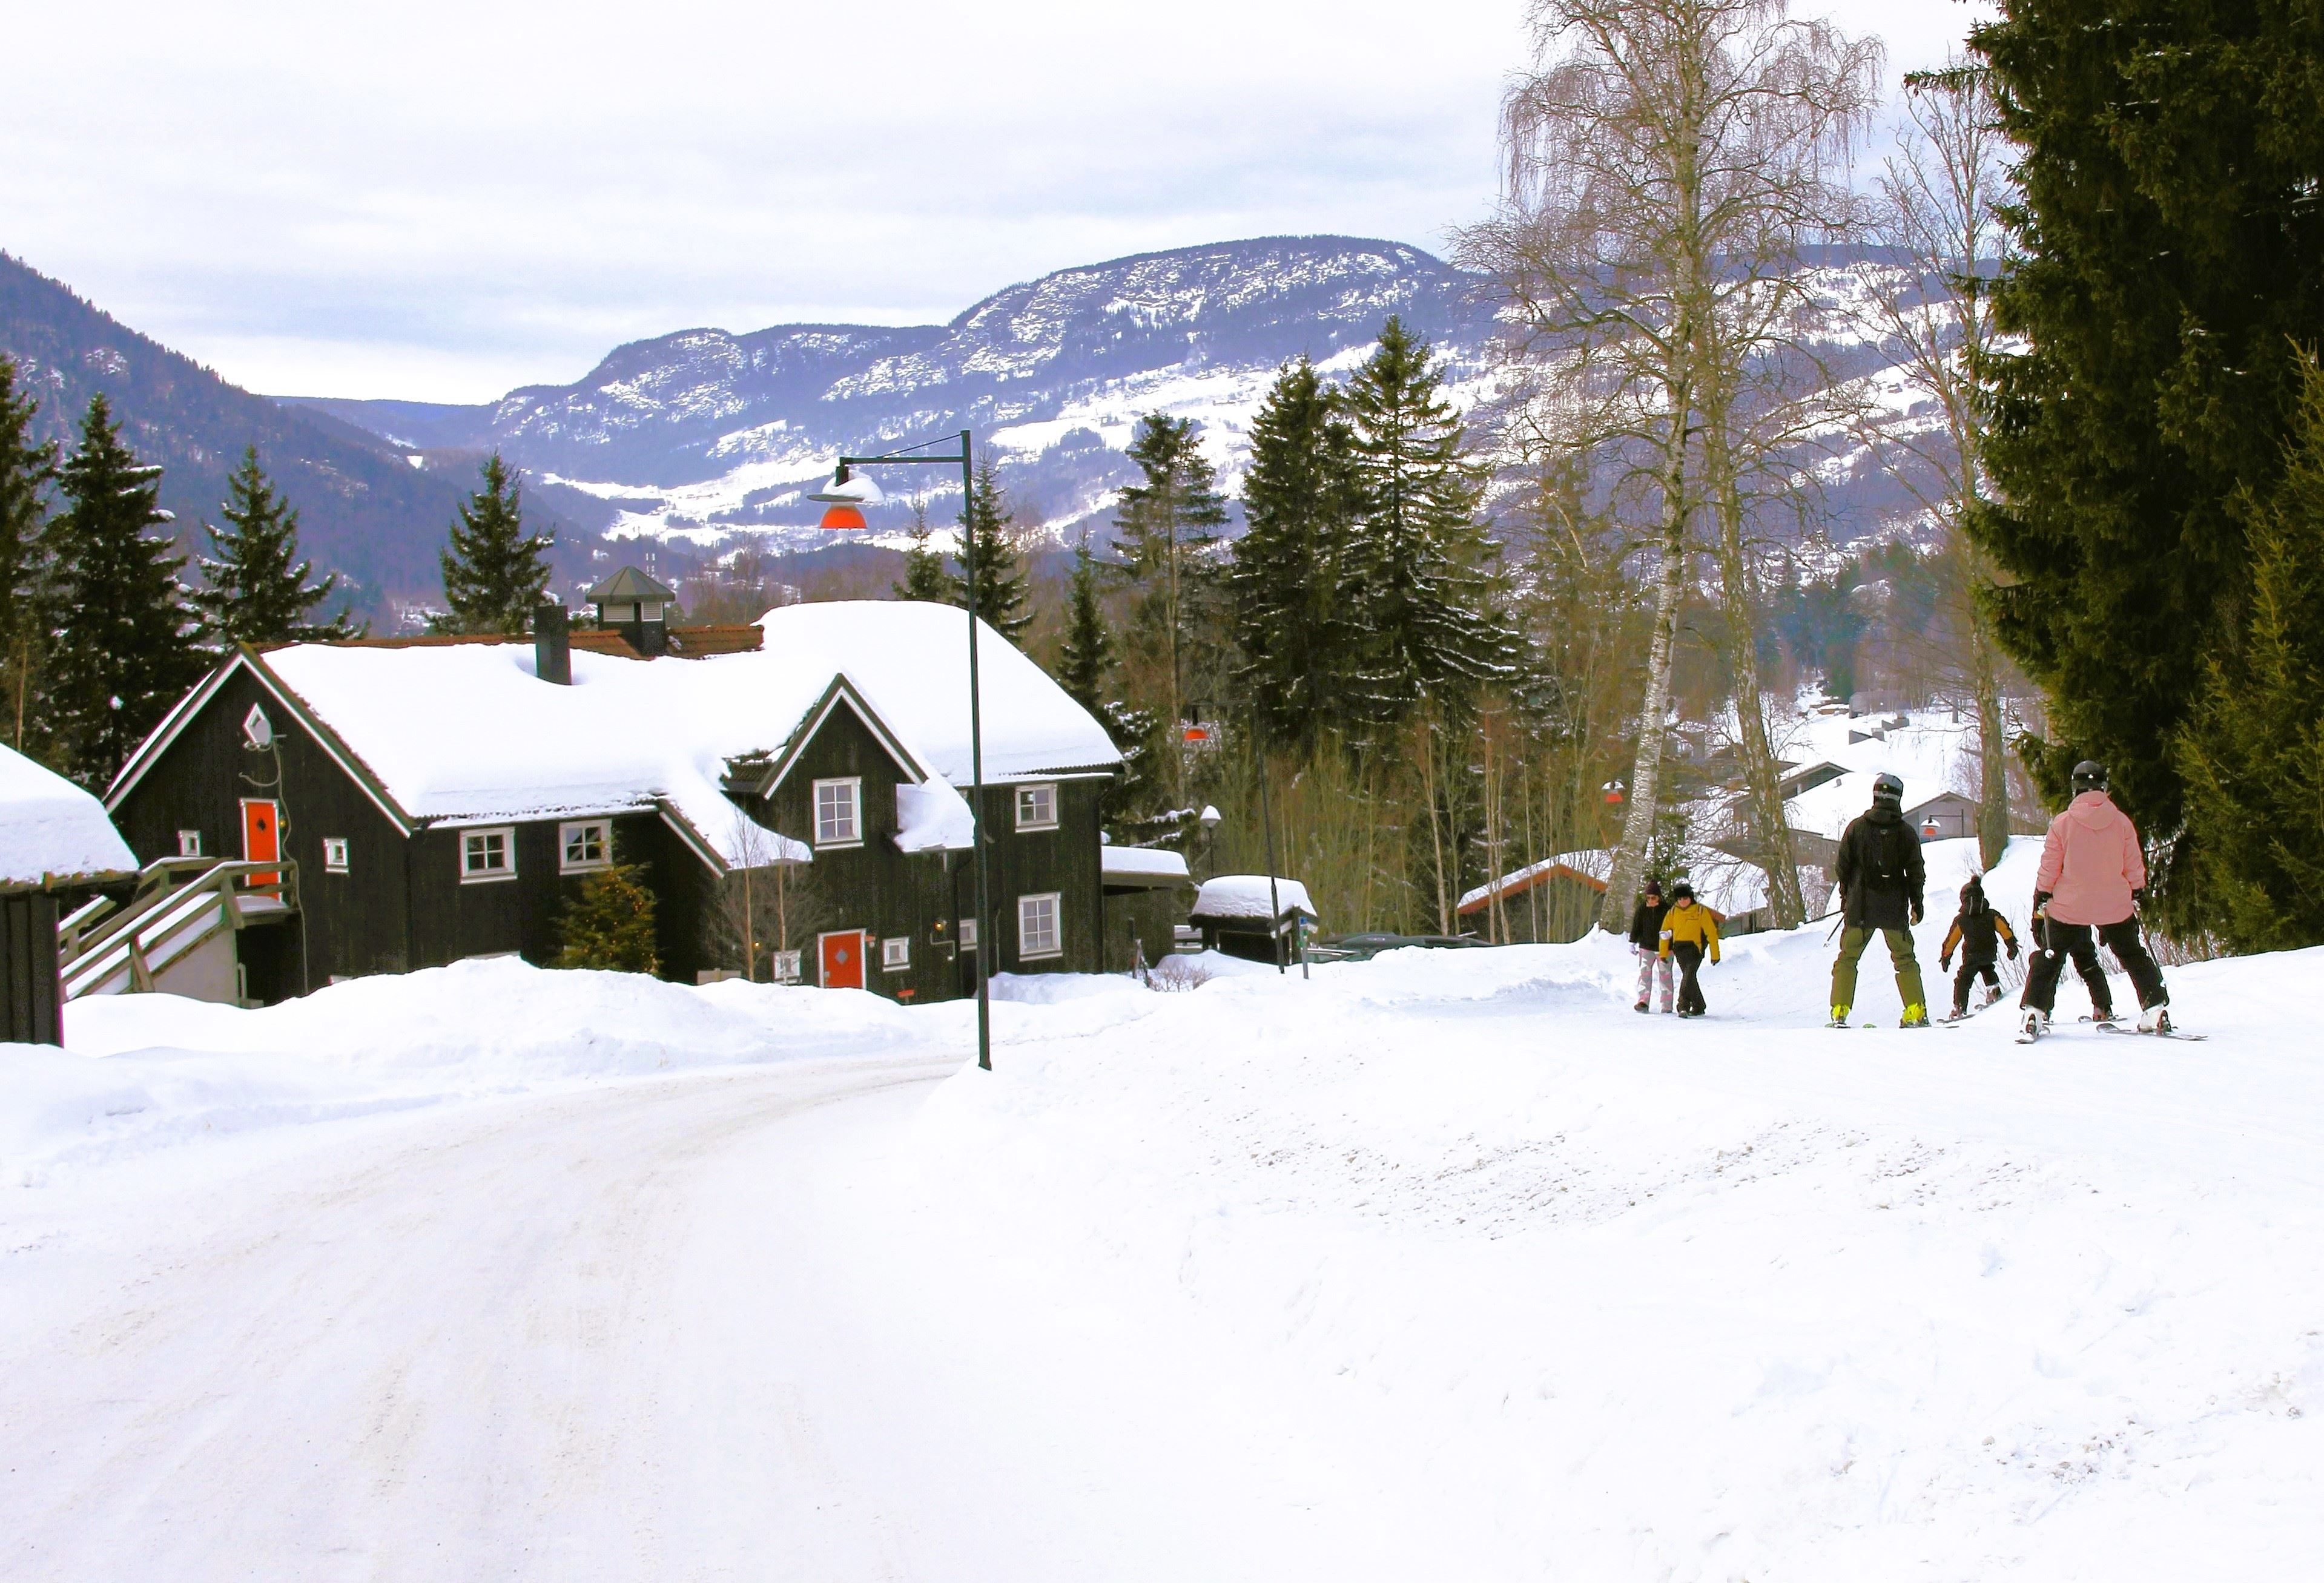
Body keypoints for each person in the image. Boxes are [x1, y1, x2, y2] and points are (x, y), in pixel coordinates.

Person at [2019, 761, 2172, 1039]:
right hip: (2114, 904)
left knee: (2050, 955)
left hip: (2069, 905)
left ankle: (2035, 1012)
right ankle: (2155, 1008)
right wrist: (2137, 890)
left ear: (2075, 787)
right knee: (2132, 953)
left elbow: (2050, 866)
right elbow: (2133, 864)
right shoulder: (2122, 822)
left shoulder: (2063, 823)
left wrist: (2043, 893)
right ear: (2105, 787)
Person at [1829, 771, 1930, 1028]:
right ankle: (1916, 1011)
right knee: (1905, 959)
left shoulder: (1857, 828)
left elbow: (1843, 867)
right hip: (1894, 908)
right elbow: (1916, 871)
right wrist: (1916, 903)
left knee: (1848, 958)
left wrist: (1846, 897)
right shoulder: (1906, 833)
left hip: (1860, 906)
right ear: (1898, 798)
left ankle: (1839, 1011)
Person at [1938, 874, 2019, 1021]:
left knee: (1963, 980)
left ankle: (1959, 1007)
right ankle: (1993, 990)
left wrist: (1946, 956)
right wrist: (2011, 945)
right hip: (1989, 952)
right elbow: (2004, 929)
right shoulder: (1991, 915)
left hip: (1971, 956)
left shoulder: (1961, 920)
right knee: (1987, 968)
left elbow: (1952, 940)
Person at [1659, 881, 1720, 1018]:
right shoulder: (1673, 912)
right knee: (1690, 979)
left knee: (1687, 977)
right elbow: (1664, 932)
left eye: (1685, 898)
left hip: (1695, 950)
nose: (1682, 901)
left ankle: (1683, 1006)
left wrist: (1715, 954)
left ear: (1691, 898)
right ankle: (1699, 1005)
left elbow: (1711, 933)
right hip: (1679, 950)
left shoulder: (1700, 911)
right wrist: (1663, 953)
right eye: (1679, 899)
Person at [1628, 878, 1674, 1014]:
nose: (1651, 900)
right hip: (1646, 947)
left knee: (1665, 977)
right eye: (1648, 898)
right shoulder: (1642, 908)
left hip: (1664, 949)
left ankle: (1667, 1005)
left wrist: (1671, 936)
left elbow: (1674, 926)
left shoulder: (1667, 909)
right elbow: (1637, 925)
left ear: (1659, 897)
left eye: (1653, 898)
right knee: (1644, 975)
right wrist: (1633, 941)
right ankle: (1643, 1001)